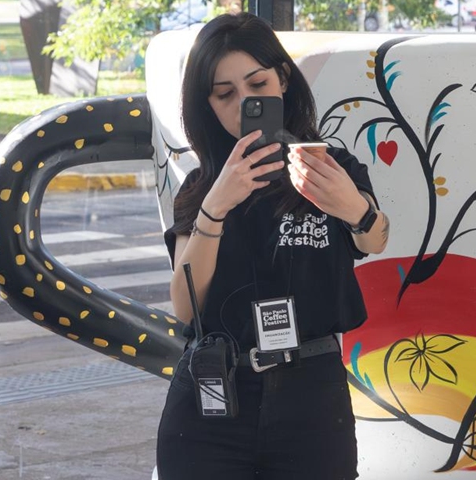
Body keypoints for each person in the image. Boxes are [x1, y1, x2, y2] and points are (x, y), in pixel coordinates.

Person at [156, 12, 389, 480]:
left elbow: (375, 238)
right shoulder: (202, 187)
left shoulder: (327, 165)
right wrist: (215, 208)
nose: (245, 102)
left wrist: (352, 207)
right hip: (214, 397)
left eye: (257, 84)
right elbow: (185, 308)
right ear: (209, 107)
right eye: (226, 94)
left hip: (312, 396)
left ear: (282, 79)